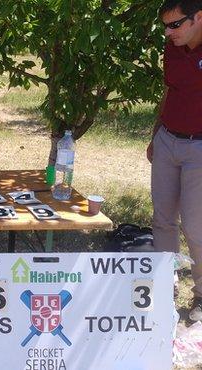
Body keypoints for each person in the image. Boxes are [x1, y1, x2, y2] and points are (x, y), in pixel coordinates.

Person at [147, 0, 202, 321]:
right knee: (163, 220)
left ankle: (201, 297)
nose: (169, 33)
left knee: (196, 228)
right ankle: (164, 290)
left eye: (175, 25)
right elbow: (170, 90)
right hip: (168, 140)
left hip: (199, 148)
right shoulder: (173, 46)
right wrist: (156, 134)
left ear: (198, 17)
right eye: (165, 26)